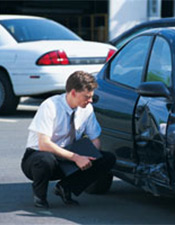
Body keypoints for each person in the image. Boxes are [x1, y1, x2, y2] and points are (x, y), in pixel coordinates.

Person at [21, 71, 116, 208]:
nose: (90, 100)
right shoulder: (50, 106)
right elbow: (44, 144)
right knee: (45, 159)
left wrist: (91, 158)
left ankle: (66, 187)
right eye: (86, 97)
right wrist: (76, 158)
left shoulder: (87, 108)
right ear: (73, 93)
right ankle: (40, 196)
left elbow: (95, 139)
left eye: (91, 97)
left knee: (107, 158)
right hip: (39, 158)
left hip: (69, 155)